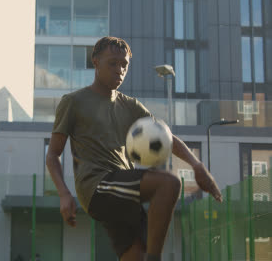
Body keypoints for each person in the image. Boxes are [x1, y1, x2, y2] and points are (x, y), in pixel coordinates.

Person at [46, 36, 222, 261]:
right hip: (98, 186)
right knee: (169, 183)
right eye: (112, 63)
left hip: (123, 191)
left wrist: (197, 165)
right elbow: (52, 155)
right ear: (95, 62)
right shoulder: (74, 101)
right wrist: (64, 193)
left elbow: (165, 136)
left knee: (135, 255)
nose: (119, 70)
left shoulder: (130, 106)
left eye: (124, 65)